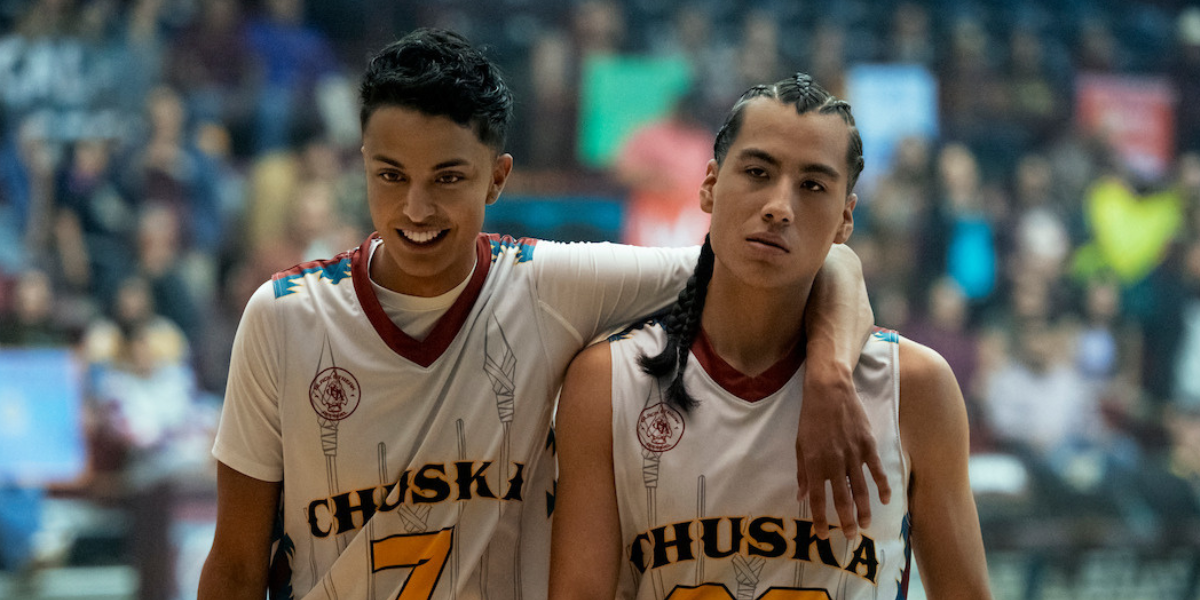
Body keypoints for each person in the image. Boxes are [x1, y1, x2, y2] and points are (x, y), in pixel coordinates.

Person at [199, 29, 885, 600]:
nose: (415, 208)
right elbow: (233, 567)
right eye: (391, 176)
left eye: (448, 178)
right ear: (363, 167)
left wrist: (827, 375)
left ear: (498, 177)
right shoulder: (281, 316)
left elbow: (815, 262)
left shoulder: (552, 284)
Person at [549, 74, 992, 599]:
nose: (780, 205)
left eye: (813, 186)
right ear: (709, 184)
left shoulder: (916, 388)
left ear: (846, 217)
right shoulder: (607, 381)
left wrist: (829, 374)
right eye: (758, 172)